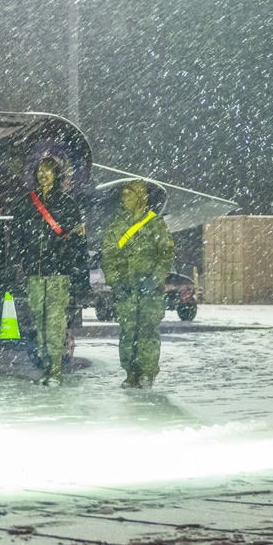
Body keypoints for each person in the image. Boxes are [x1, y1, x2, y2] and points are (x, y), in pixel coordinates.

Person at [11, 156, 86, 386]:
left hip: (57, 274)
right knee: (39, 322)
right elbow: (17, 239)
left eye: (48, 171)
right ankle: (45, 365)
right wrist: (19, 263)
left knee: (54, 322)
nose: (43, 175)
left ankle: (55, 369)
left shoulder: (67, 204)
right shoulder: (26, 204)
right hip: (35, 274)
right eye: (40, 171)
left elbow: (77, 243)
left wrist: (74, 269)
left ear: (56, 175)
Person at [101, 180, 174, 389]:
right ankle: (131, 373)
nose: (125, 197)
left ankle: (147, 374)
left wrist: (155, 279)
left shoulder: (154, 223)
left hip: (149, 289)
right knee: (128, 332)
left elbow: (166, 255)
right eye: (123, 194)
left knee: (148, 332)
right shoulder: (116, 224)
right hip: (126, 288)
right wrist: (116, 282)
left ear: (141, 197)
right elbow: (108, 256)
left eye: (130, 193)